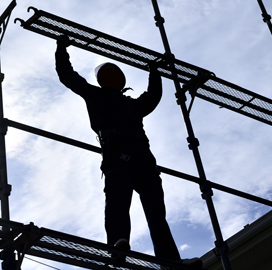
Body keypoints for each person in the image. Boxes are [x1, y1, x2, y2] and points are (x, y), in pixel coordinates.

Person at [55, 36, 202, 269]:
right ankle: (118, 244)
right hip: (117, 150)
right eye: (109, 76)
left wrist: (155, 71)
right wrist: (61, 49)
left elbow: (152, 97)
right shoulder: (96, 95)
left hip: (141, 153)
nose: (112, 79)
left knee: (154, 208)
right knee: (119, 196)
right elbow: (68, 76)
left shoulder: (131, 104)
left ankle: (168, 260)